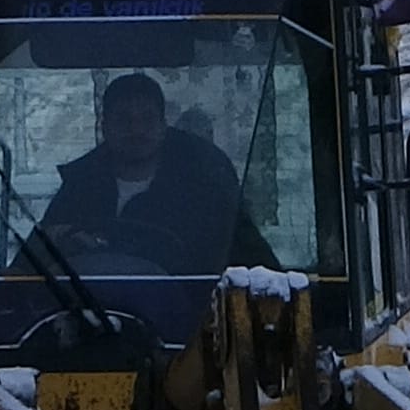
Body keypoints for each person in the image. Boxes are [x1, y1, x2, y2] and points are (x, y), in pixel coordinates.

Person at [20, 73, 273, 278]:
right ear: (104, 126)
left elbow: (263, 276)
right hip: (89, 329)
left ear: (164, 127)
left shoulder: (207, 196)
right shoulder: (77, 191)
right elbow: (22, 272)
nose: (136, 129)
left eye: (147, 119)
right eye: (123, 120)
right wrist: (62, 239)